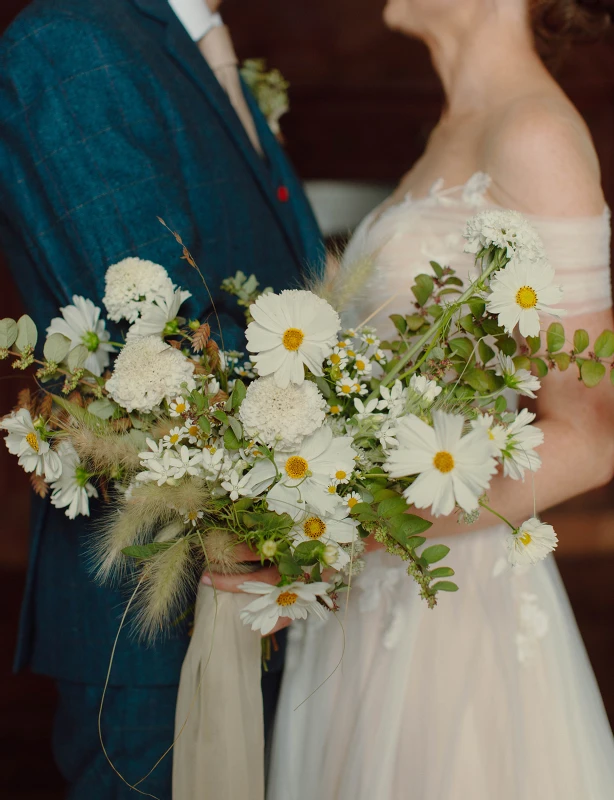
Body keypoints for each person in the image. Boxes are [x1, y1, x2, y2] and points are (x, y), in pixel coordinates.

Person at [264, 1, 614, 797]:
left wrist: (357, 521)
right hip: (364, 605)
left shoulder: (534, 136)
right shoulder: (453, 129)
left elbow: (594, 434)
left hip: (450, 620)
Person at [0, 0, 323, 796]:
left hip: (270, 584)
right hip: (157, 613)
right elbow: (155, 344)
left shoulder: (194, 42)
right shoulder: (68, 38)